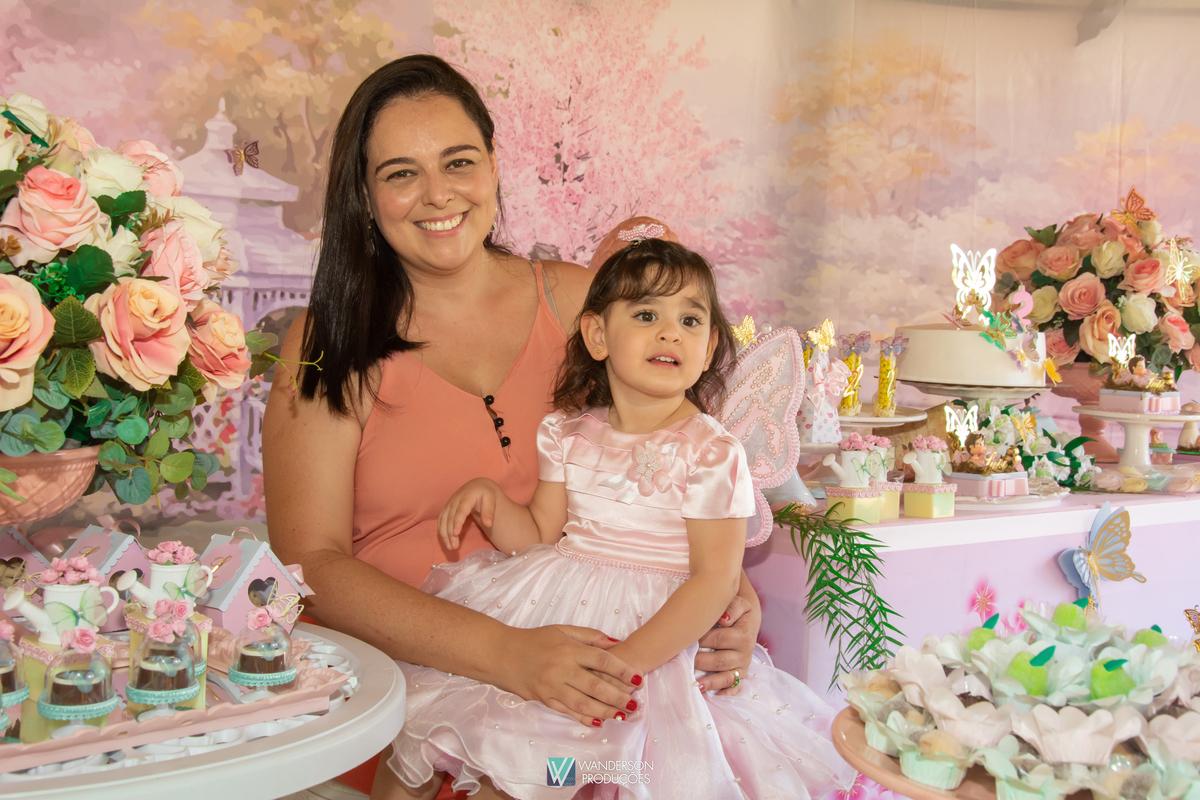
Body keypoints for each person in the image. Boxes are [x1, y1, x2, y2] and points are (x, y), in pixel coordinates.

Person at [261, 55, 763, 798]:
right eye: (401, 173)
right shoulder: (329, 341)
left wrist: (728, 589)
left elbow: (676, 456)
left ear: (495, 164)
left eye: (459, 161)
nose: (438, 194)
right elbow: (309, 565)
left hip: (597, 672)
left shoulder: (581, 303)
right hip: (412, 690)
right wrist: (509, 655)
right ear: (364, 197)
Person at [376, 236, 854, 800]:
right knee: (483, 742)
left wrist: (626, 663)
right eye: (647, 315)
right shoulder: (568, 433)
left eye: (690, 320)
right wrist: (494, 503)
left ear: (709, 347)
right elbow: (538, 536)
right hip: (561, 611)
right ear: (598, 335)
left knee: (614, 764)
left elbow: (715, 578)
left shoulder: (711, 451)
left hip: (657, 638)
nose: (670, 333)